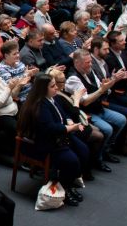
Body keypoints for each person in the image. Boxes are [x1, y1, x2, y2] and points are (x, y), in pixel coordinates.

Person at [17, 74, 88, 206]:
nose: (56, 88)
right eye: (53, 86)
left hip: (58, 136)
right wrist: (71, 128)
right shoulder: (40, 106)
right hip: (43, 143)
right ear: (43, 89)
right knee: (72, 161)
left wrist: (68, 120)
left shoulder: (51, 98)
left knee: (83, 151)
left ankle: (68, 183)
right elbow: (50, 128)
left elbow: (62, 114)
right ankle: (64, 189)